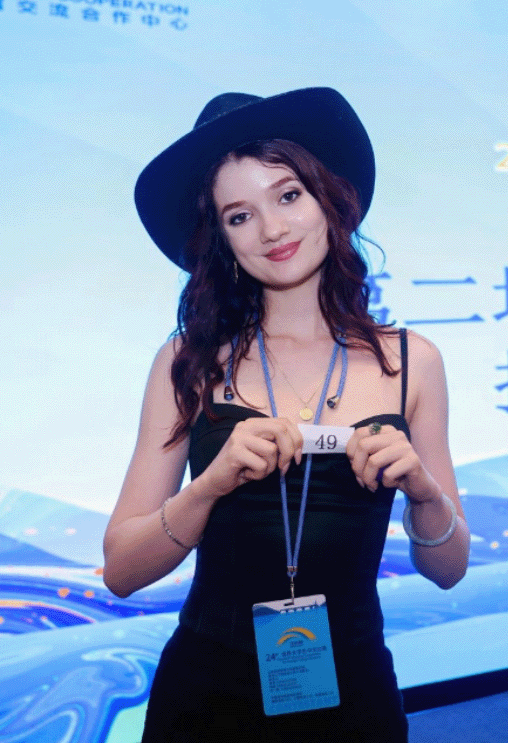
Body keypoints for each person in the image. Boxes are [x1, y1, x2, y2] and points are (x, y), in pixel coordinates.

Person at [103, 87, 469, 742]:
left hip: (354, 695)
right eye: (239, 215)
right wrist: (210, 486)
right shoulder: (186, 362)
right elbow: (123, 572)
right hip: (208, 699)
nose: (271, 229)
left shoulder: (413, 361)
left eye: (288, 195)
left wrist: (424, 492)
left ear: (330, 198)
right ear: (218, 237)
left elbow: (447, 570)